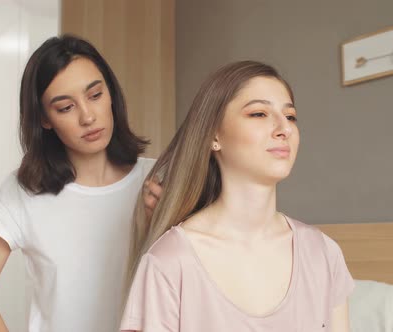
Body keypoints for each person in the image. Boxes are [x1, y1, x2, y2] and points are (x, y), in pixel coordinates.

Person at [121, 60, 354, 331]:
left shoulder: (323, 254)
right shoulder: (169, 262)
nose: (284, 128)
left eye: (290, 116)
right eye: (258, 114)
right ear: (213, 136)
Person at [0, 35, 161, 332]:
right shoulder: (25, 191)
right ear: (44, 119)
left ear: (111, 94)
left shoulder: (156, 181)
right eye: (66, 107)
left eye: (95, 95)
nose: (88, 116)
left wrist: (163, 225)